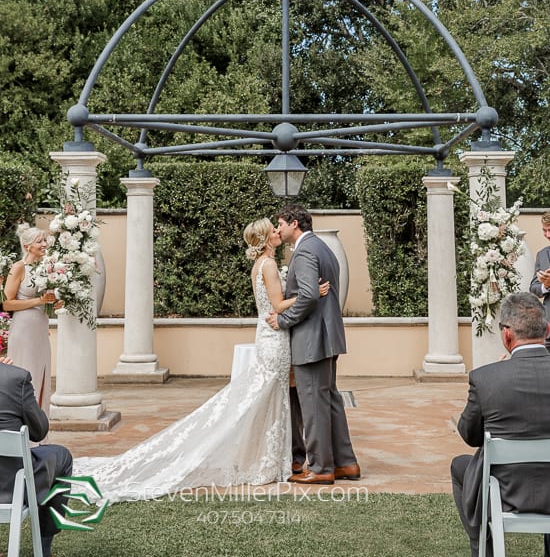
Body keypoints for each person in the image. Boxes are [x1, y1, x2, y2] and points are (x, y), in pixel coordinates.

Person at [73, 217, 327, 501]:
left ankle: (267, 458)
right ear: (267, 238)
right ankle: (263, 460)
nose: (278, 231)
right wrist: (310, 293)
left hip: (268, 335)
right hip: (273, 336)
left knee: (264, 399)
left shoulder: (261, 264)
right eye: (274, 229)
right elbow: (278, 305)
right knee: (262, 398)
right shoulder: (267, 265)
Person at [266, 204, 359, 485]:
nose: (278, 229)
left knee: (314, 403)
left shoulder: (305, 250)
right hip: (327, 336)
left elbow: (307, 295)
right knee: (329, 400)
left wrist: (283, 321)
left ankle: (320, 468)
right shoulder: (323, 247)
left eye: (280, 224)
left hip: (312, 338)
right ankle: (345, 464)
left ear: (294, 223)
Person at [451, 291, 550, 557]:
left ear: (507, 335)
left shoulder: (486, 379)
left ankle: (483, 547)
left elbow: (470, 435)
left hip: (505, 494)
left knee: (460, 465)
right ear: (547, 329)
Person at [0, 356, 73, 557]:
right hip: (11, 489)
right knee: (62, 456)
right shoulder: (15, 378)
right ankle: (44, 548)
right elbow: (39, 431)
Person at [2, 223, 61, 417]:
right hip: (23, 330)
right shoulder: (19, 268)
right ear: (27, 246)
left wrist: (56, 303)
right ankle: (22, 432)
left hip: (40, 330)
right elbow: (7, 304)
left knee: (41, 376)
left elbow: (46, 304)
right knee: (25, 378)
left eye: (45, 240)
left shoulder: (46, 268)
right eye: (40, 241)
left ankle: (40, 432)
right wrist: (39, 300)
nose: (44, 244)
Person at [529, 210, 550, 350]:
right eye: (544, 230)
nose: (547, 235)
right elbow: (533, 287)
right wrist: (546, 286)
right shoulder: (541, 255)